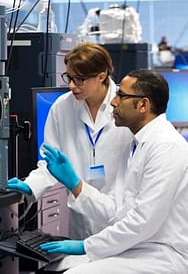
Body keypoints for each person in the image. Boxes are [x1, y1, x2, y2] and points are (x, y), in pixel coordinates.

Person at [40, 69, 188, 273]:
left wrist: (87, 245)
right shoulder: (140, 144)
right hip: (140, 246)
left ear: (143, 105)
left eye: (122, 95)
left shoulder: (166, 147)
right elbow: (120, 211)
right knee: (57, 266)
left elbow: (143, 222)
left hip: (163, 253)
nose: (113, 102)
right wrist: (76, 185)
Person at [7, 42, 133, 240]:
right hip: (81, 218)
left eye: (79, 79)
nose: (71, 85)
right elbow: (51, 162)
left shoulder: (125, 107)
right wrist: (31, 185)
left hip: (120, 217)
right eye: (69, 77)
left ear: (102, 76)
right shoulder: (62, 107)